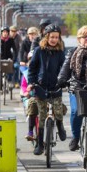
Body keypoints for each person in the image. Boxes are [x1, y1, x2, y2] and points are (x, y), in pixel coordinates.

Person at [58, 25, 87, 151]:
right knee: (76, 111)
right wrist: (61, 79)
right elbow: (66, 67)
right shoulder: (73, 52)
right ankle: (75, 137)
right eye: (84, 36)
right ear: (79, 39)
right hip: (77, 86)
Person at [27, 24, 67, 156]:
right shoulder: (39, 50)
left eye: (57, 37)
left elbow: (64, 69)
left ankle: (60, 126)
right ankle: (39, 144)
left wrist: (64, 81)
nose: (54, 39)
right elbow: (32, 68)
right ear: (47, 37)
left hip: (56, 86)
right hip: (41, 86)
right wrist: (31, 83)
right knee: (42, 116)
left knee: (58, 110)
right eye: (52, 37)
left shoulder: (61, 52)